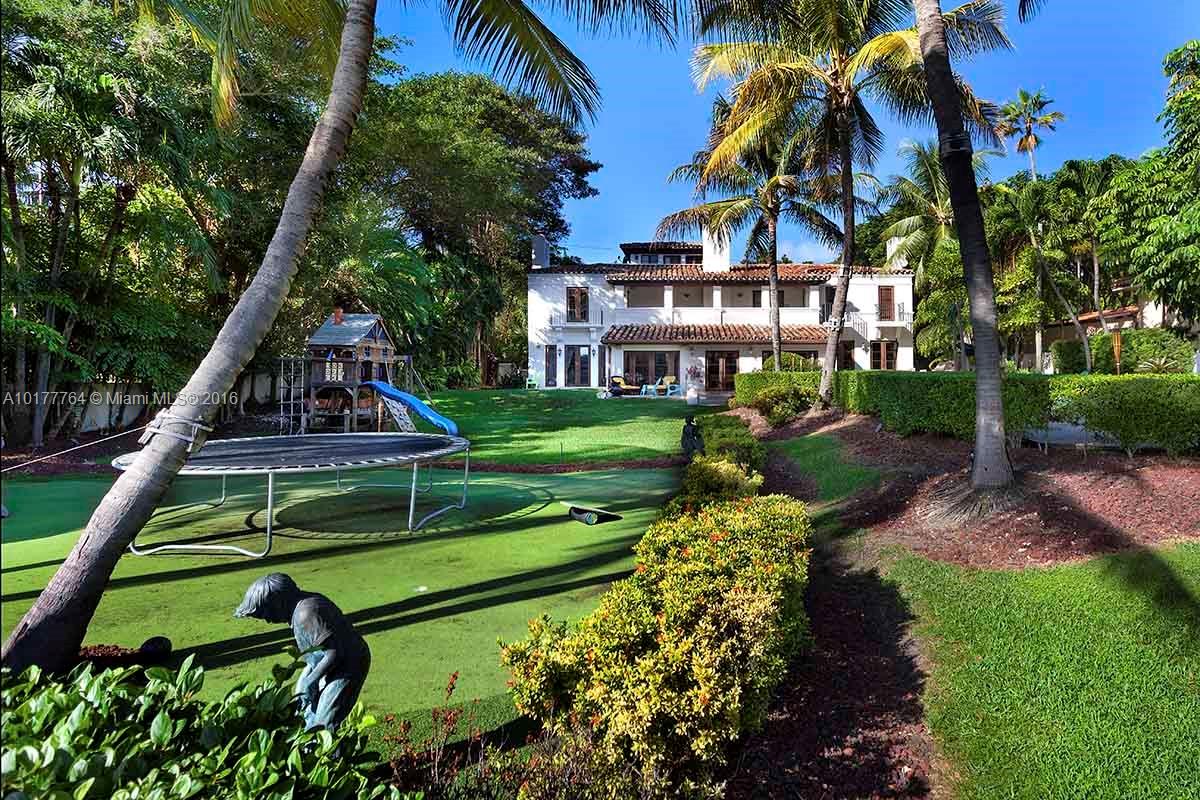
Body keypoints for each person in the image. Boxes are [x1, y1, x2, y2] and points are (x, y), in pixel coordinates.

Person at [234, 573, 371, 731]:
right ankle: (308, 750)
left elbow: (334, 653)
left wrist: (311, 680)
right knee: (306, 711)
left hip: (347, 665)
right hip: (326, 664)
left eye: (266, 611)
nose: (266, 619)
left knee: (324, 723)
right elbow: (315, 654)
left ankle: (329, 752)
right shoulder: (298, 610)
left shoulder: (306, 614)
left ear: (279, 602)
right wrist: (306, 680)